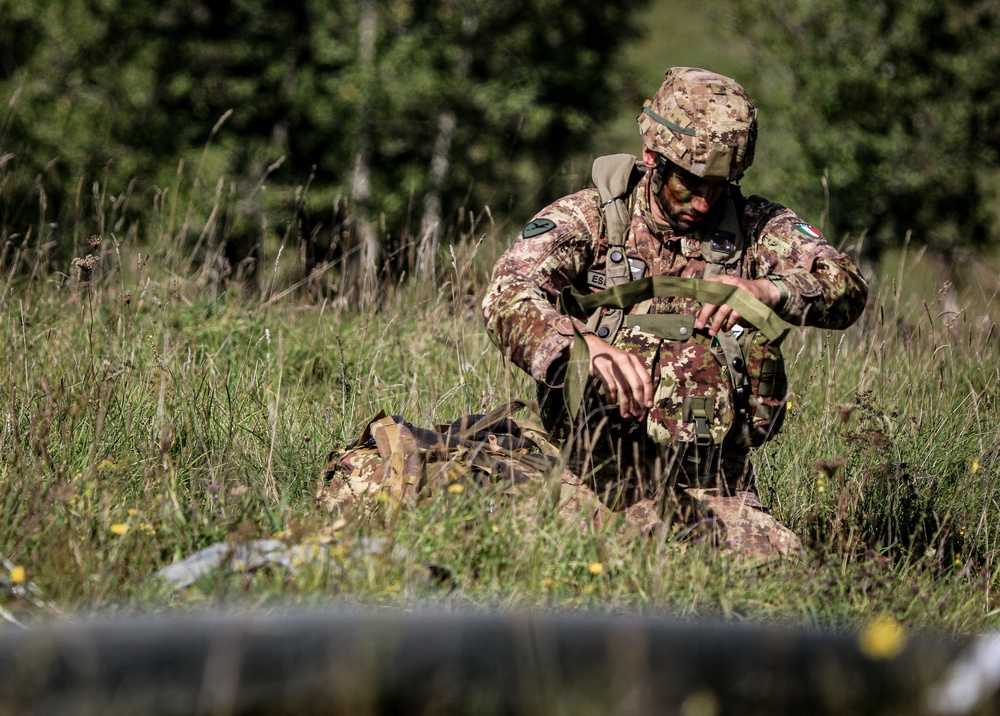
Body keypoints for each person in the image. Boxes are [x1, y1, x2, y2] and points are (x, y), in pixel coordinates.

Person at [481, 67, 868, 558]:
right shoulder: (594, 218)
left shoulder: (755, 227)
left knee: (787, 576)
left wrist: (767, 291)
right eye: (689, 182)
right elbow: (507, 289)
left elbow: (847, 286)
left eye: (720, 183)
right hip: (594, 474)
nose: (705, 200)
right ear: (652, 158)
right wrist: (579, 347)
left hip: (716, 485)